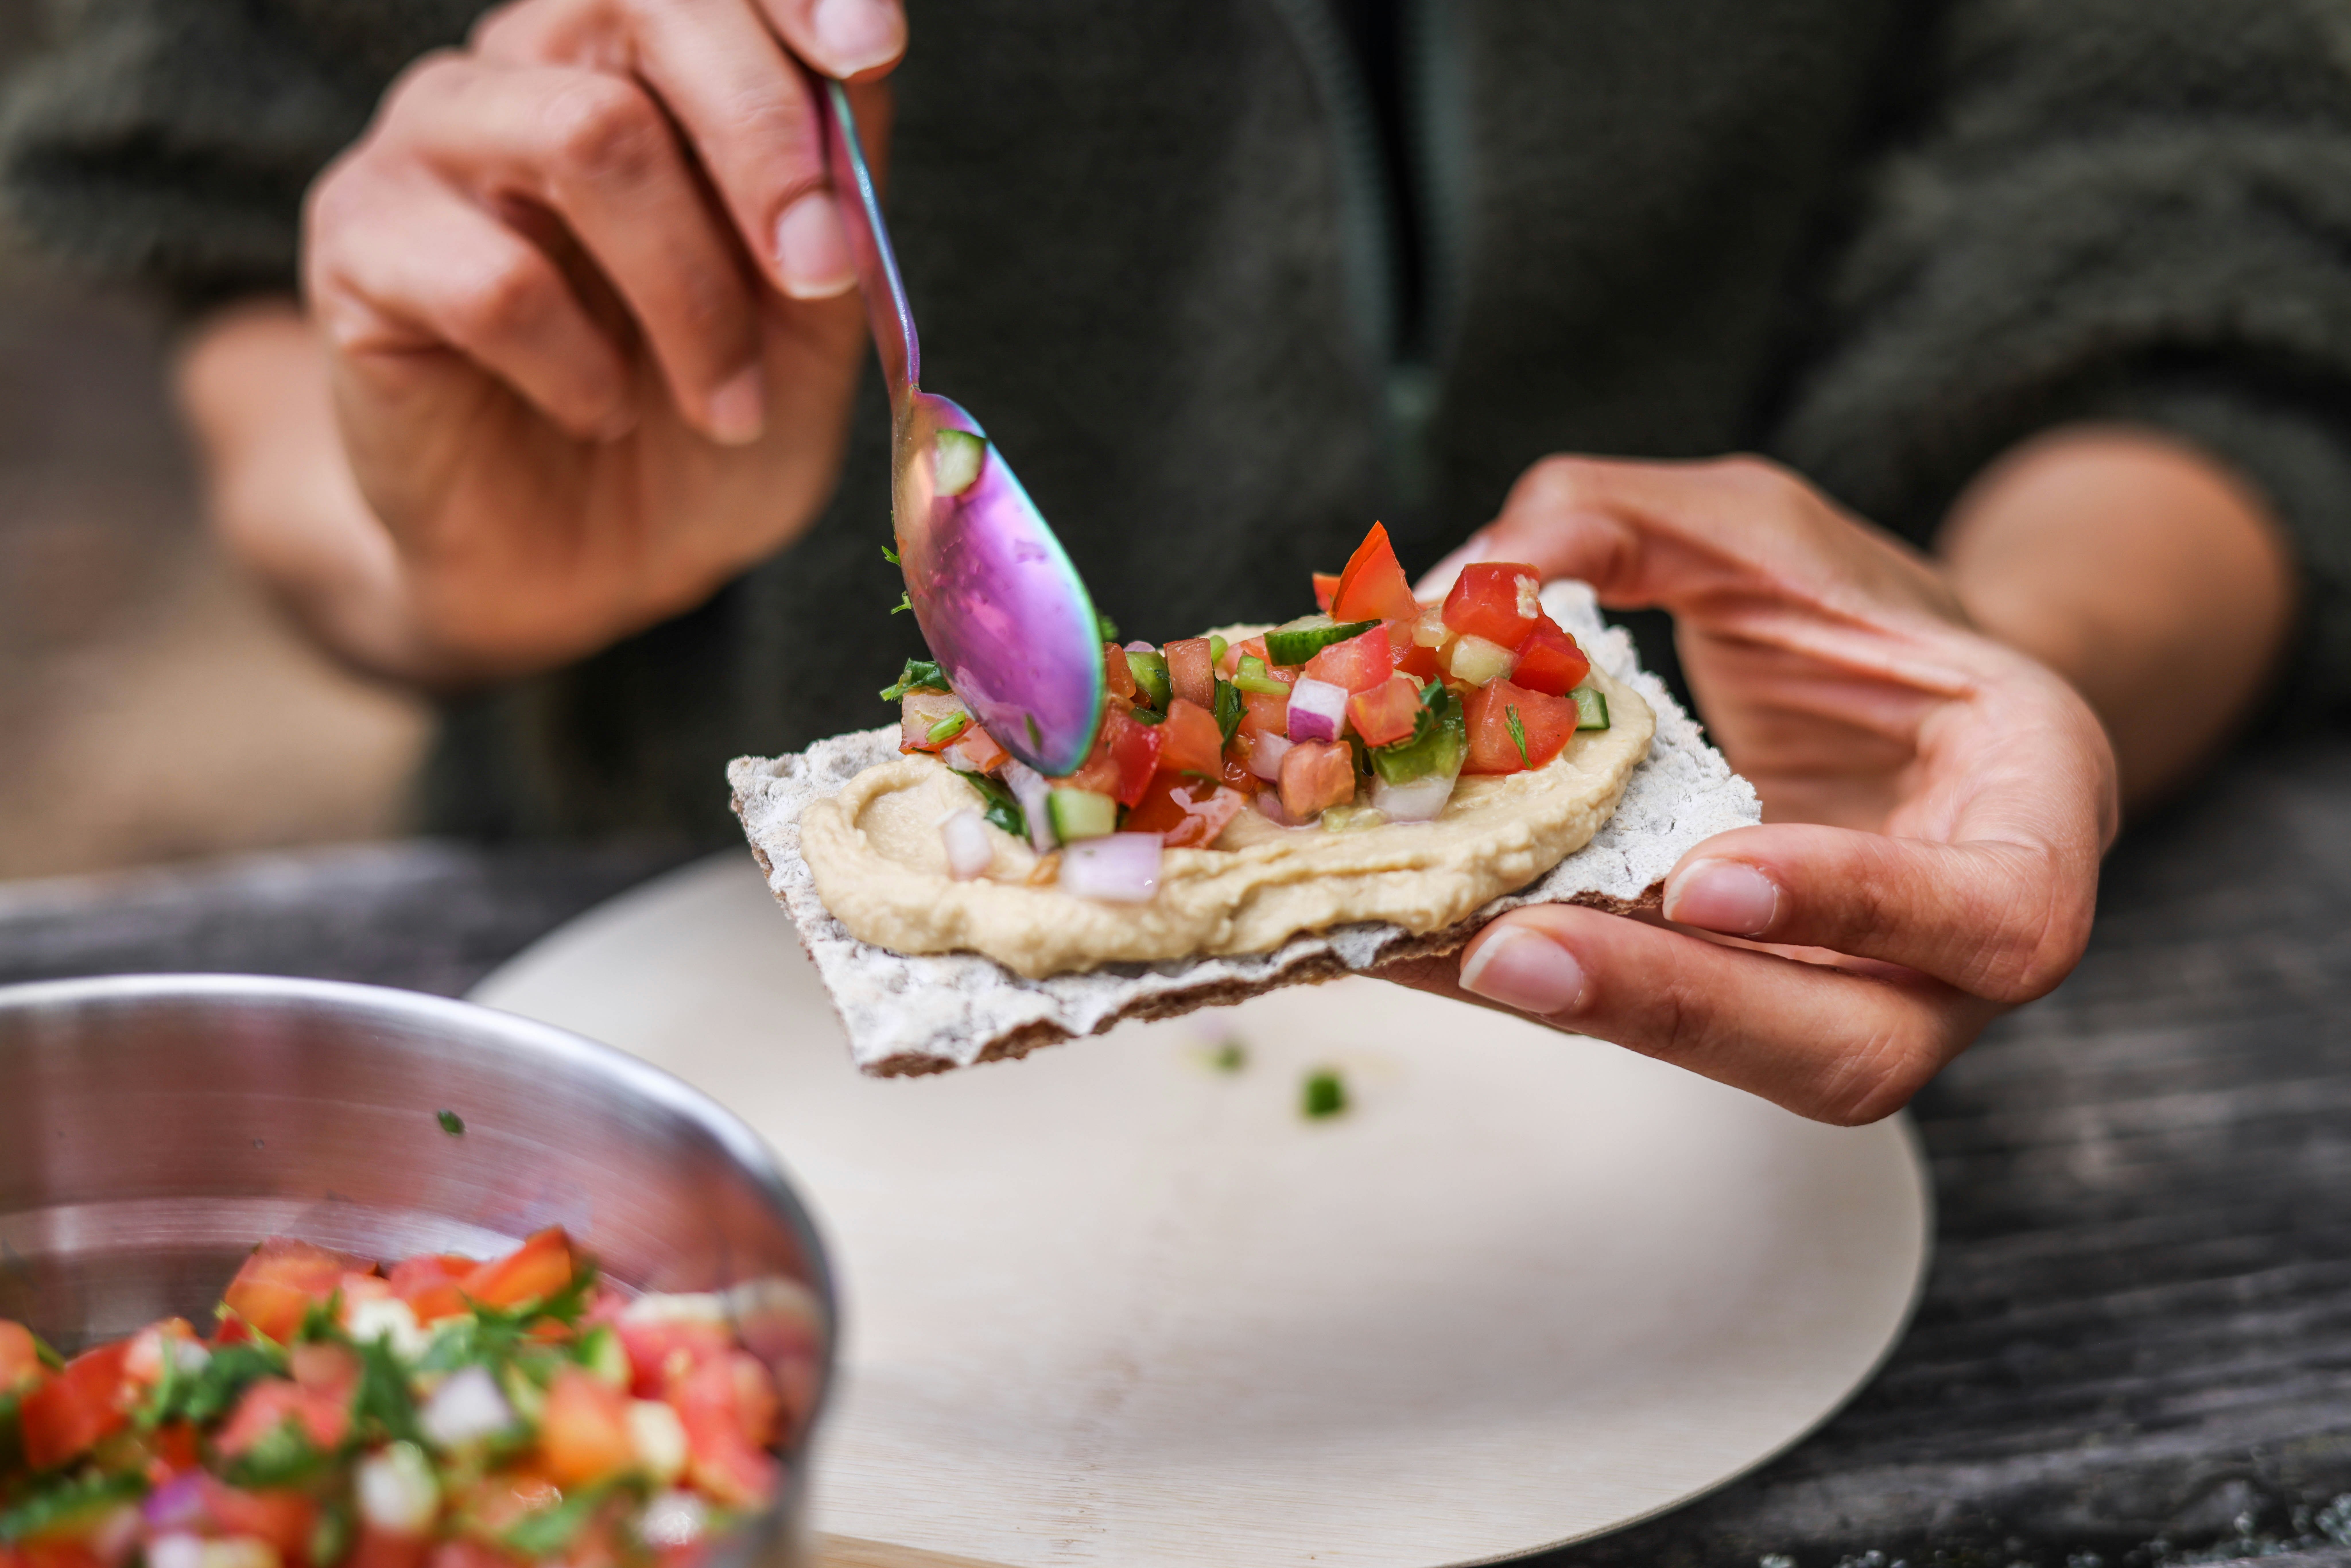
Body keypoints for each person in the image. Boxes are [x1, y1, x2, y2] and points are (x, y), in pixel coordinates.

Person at [3, 0, 2340, 1122]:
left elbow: (2187, 197)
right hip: (693, 1048)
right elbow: (239, 170)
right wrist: (452, 547)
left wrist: (2029, 646)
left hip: (1706, 1110)